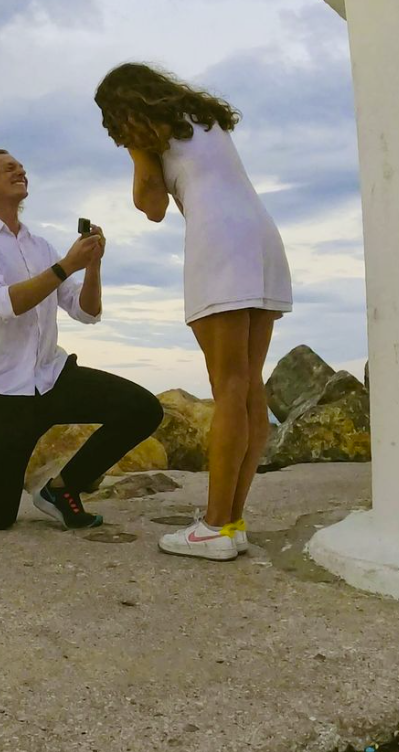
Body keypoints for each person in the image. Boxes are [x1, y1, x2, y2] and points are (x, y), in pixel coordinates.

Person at [94, 63, 293, 561]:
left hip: (221, 242)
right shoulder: (206, 119)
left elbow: (152, 205)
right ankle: (232, 521)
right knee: (250, 385)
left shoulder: (147, 135)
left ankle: (215, 525)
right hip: (263, 239)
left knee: (228, 386)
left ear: (124, 111)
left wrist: (134, 152)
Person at [0, 147, 163, 532]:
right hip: (6, 391)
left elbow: (86, 312)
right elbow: (4, 303)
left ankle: (63, 488)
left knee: (143, 409)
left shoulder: (40, 246)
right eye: (9, 167)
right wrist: (67, 265)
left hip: (53, 377)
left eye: (22, 166)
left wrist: (92, 266)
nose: (21, 170)